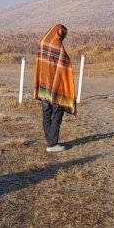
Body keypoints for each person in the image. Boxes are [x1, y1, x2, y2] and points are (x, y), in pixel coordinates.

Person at [33, 24, 76, 152]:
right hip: (56, 87)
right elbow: (64, 63)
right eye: (63, 35)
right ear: (60, 33)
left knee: (46, 113)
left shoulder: (42, 42)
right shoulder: (57, 45)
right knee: (58, 113)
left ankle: (50, 141)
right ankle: (52, 145)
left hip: (43, 85)